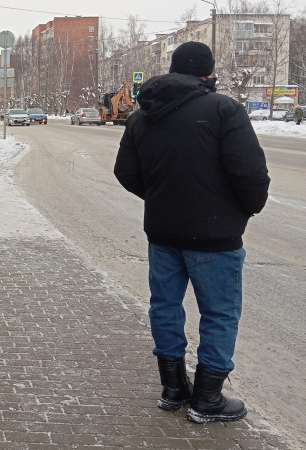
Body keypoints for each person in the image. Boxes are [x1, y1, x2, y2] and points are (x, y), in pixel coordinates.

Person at [114, 41, 270, 424]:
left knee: (165, 307)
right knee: (218, 313)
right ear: (208, 73)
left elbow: (126, 172)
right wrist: (244, 209)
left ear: (173, 69)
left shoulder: (141, 115)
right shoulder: (223, 109)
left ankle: (173, 390)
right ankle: (207, 398)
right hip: (216, 237)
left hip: (163, 233)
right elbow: (249, 173)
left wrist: (161, 197)